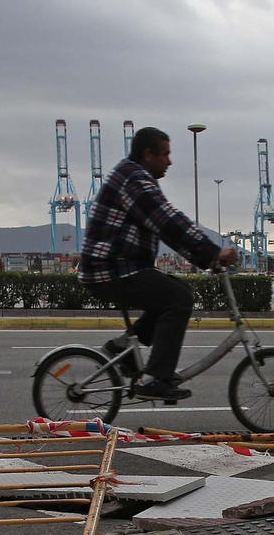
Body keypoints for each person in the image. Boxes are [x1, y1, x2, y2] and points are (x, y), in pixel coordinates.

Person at [78, 126, 239, 402]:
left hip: (118, 267)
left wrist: (206, 256)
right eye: (164, 154)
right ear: (148, 154)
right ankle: (156, 378)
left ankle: (121, 347)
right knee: (177, 300)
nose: (169, 161)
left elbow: (169, 226)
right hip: (110, 270)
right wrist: (212, 254)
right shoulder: (135, 181)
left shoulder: (134, 176)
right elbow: (169, 222)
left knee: (177, 292)